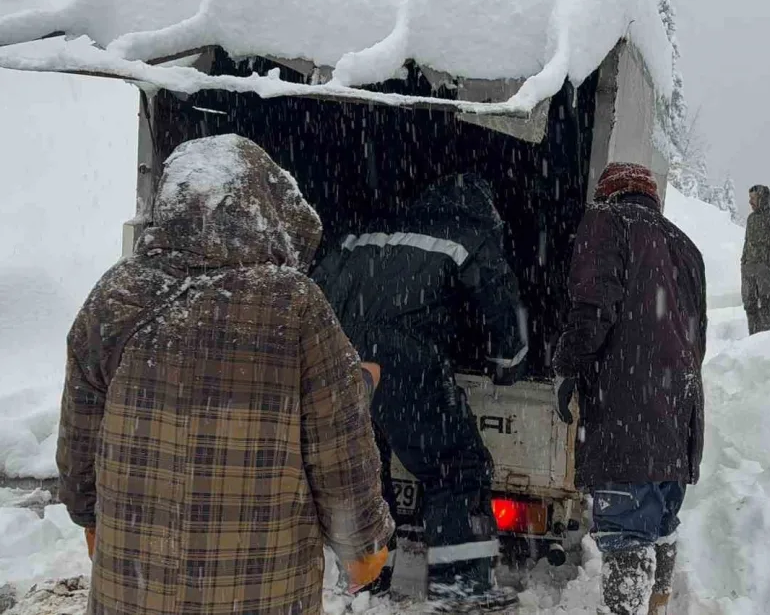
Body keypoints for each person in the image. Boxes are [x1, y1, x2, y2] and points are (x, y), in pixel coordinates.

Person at [55, 135, 394, 614]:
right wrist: (362, 542)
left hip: (132, 588)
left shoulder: (118, 293)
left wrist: (88, 514)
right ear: (264, 207)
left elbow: (80, 435)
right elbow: (338, 446)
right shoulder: (294, 304)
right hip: (263, 591)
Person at [312, 173, 527, 611]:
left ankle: (363, 581)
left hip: (341, 356)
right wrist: (509, 362)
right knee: (456, 467)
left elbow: (316, 288)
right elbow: (500, 306)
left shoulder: (370, 233)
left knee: (365, 471)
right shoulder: (469, 234)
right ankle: (461, 587)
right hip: (405, 357)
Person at [553, 163, 707, 615]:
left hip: (628, 417)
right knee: (660, 524)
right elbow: (696, 339)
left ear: (608, 196)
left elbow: (592, 310)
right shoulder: (686, 245)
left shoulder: (607, 223)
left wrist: (567, 367)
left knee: (627, 536)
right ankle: (656, 606)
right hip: (678, 421)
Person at [741, 184, 770, 335]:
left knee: (765, 304)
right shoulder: (751, 219)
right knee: (749, 304)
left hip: (765, 270)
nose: (750, 202)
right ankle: (752, 335)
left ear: (762, 198)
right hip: (748, 268)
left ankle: (763, 337)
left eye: (753, 198)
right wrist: (744, 262)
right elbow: (747, 242)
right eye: (750, 198)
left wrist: (768, 262)